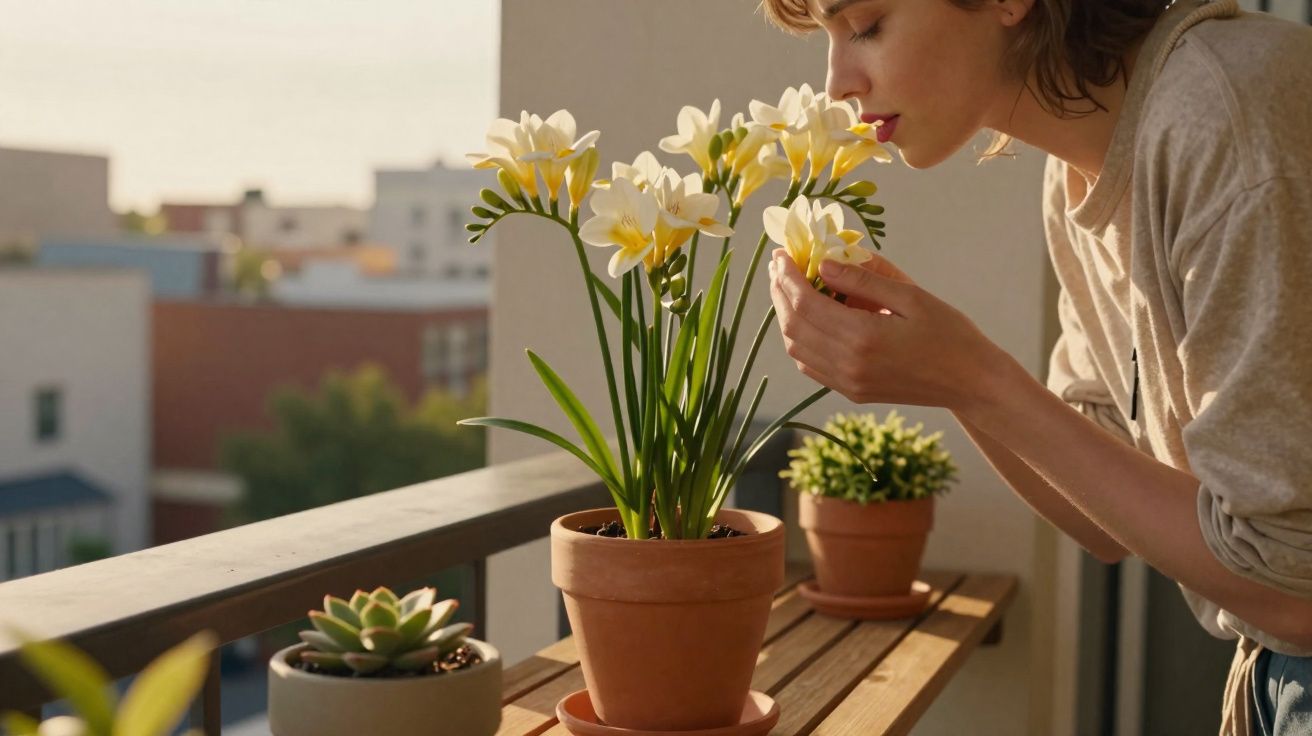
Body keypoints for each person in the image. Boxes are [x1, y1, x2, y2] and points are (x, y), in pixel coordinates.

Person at [759, 0, 1312, 733]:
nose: (836, 84)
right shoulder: (1080, 172)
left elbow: (1294, 590)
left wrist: (971, 377)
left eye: (865, 25)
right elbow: (1102, 517)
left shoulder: (1224, 122)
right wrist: (943, 374)